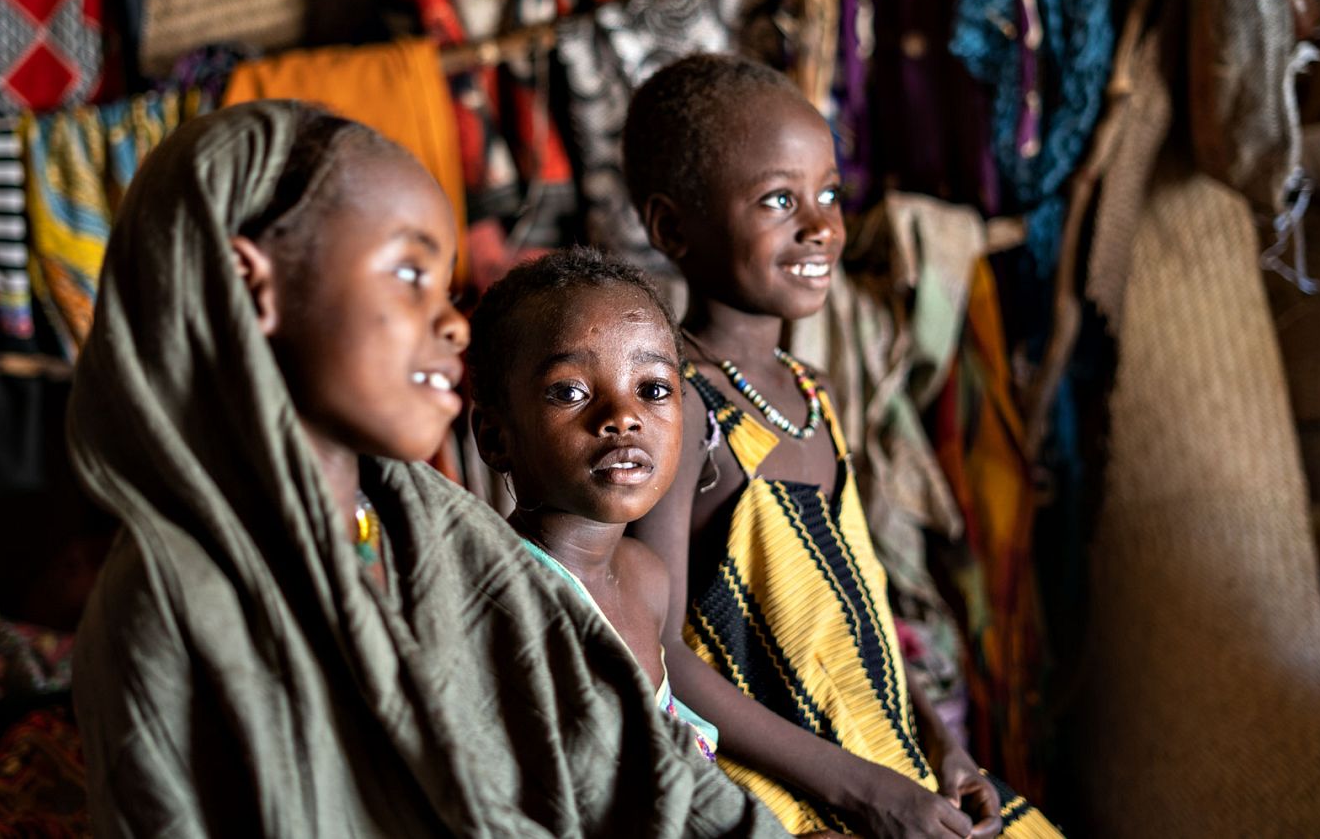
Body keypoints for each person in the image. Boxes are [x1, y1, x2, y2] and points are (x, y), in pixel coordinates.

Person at [66, 100, 786, 837]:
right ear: (253, 284)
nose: (452, 323)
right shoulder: (168, 601)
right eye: (409, 273)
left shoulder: (435, 532)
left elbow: (623, 755)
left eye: (446, 287)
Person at [626, 55, 1062, 839]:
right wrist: (863, 790)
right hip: (789, 800)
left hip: (889, 767)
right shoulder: (684, 408)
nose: (822, 226)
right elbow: (657, 654)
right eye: (778, 200)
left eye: (829, 193)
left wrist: (943, 744)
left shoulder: (811, 392)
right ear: (671, 227)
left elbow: (853, 618)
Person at [467, 247, 719, 761]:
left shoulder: (647, 575)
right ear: (495, 438)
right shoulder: (511, 601)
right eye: (571, 392)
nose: (623, 416)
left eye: (652, 388)